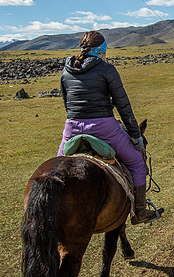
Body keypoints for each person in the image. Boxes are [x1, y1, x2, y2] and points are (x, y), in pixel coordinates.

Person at [57, 31, 159, 224]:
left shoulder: (66, 71)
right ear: (102, 51)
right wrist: (136, 135)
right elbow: (123, 105)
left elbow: (67, 105)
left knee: (56, 168)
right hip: (103, 127)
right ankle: (139, 211)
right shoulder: (107, 69)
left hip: (72, 128)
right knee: (137, 162)